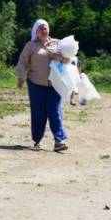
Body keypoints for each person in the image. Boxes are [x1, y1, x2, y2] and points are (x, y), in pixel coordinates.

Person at [15, 19, 70, 152]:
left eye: (45, 28)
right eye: (41, 29)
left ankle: (59, 140)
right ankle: (37, 140)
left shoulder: (58, 43)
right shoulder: (31, 45)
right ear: (36, 31)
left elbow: (69, 59)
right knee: (38, 112)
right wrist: (21, 76)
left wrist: (61, 56)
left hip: (55, 84)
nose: (44, 30)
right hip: (36, 84)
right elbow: (22, 62)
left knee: (54, 111)